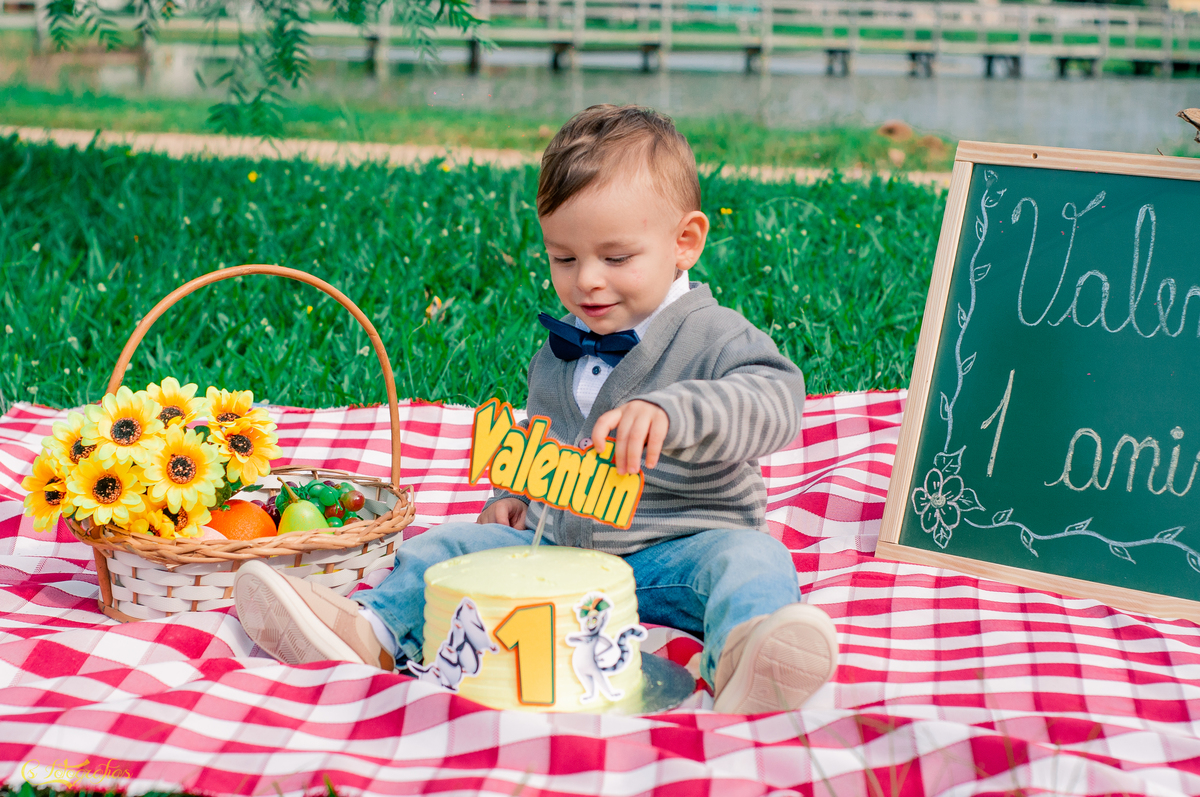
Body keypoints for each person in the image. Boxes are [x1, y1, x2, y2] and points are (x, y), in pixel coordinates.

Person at [234, 104, 838, 714]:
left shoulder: (714, 334)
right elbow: (545, 447)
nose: (588, 282)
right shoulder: (558, 352)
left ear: (685, 242)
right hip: (565, 551)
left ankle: (747, 657)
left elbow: (776, 401)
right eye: (565, 258)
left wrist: (675, 412)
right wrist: (517, 498)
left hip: (682, 548)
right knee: (447, 544)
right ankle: (369, 631)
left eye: (616, 258)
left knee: (755, 559)